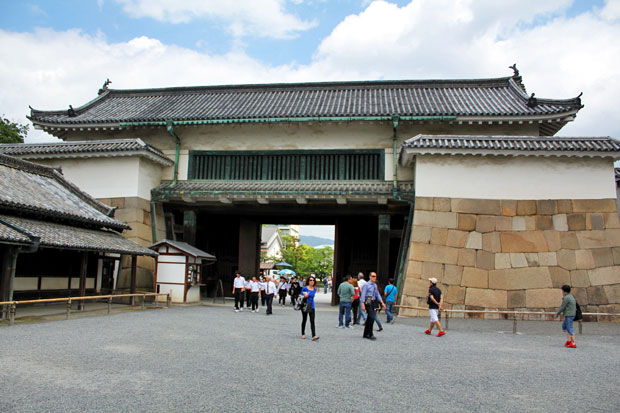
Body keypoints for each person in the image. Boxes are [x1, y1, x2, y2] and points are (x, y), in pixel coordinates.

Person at [360, 272, 385, 340]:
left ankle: (365, 333)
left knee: (370, 318)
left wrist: (382, 302)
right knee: (371, 317)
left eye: (375, 276)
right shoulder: (366, 285)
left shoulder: (375, 285)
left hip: (373, 301)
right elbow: (363, 294)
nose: (374, 278)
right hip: (368, 301)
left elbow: (377, 294)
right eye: (373, 276)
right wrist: (363, 305)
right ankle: (370, 333)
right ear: (370, 277)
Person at [301, 276, 319, 340]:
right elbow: (300, 295)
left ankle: (313, 335)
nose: (312, 281)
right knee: (304, 320)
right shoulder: (305, 288)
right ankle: (303, 333)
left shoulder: (314, 289)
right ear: (308, 281)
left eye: (313, 280)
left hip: (312, 305)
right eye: (310, 280)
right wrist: (305, 296)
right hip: (305, 305)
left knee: (312, 321)